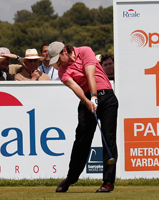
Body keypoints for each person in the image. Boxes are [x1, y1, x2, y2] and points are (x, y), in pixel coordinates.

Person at [48, 41, 118, 193]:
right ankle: (71, 177)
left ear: (64, 51)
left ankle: (108, 182)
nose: (58, 63)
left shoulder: (85, 51)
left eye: (58, 59)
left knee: (108, 138)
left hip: (106, 98)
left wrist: (94, 97)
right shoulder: (62, 71)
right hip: (86, 100)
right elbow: (75, 87)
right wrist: (87, 101)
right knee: (81, 140)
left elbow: (90, 75)